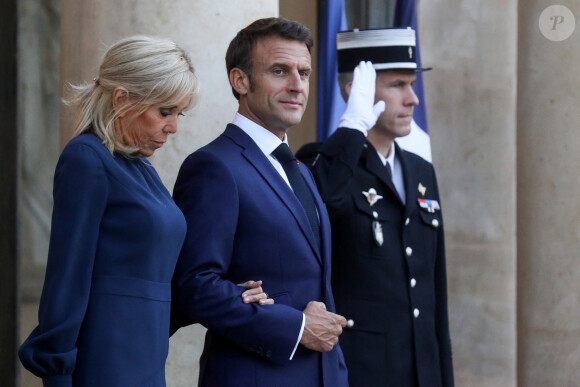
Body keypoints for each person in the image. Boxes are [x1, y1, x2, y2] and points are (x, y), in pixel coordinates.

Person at [18, 35, 271, 387]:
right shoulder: (86, 159)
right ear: (122, 99)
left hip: (145, 363)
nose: (173, 127)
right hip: (104, 367)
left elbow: (151, 287)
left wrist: (231, 292)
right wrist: (57, 374)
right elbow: (67, 280)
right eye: (164, 111)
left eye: (178, 113)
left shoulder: (139, 169)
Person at [171, 17, 349, 386]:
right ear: (241, 81)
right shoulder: (214, 166)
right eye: (280, 71)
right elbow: (193, 285)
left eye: (304, 72)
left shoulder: (298, 167)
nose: (297, 86)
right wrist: (297, 327)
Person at [299, 28, 454, 386]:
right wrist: (352, 128)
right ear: (359, 91)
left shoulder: (420, 171)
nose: (413, 99)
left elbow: (434, 291)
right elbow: (316, 209)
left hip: (421, 371)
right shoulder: (322, 163)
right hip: (360, 370)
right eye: (398, 85)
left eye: (412, 85)